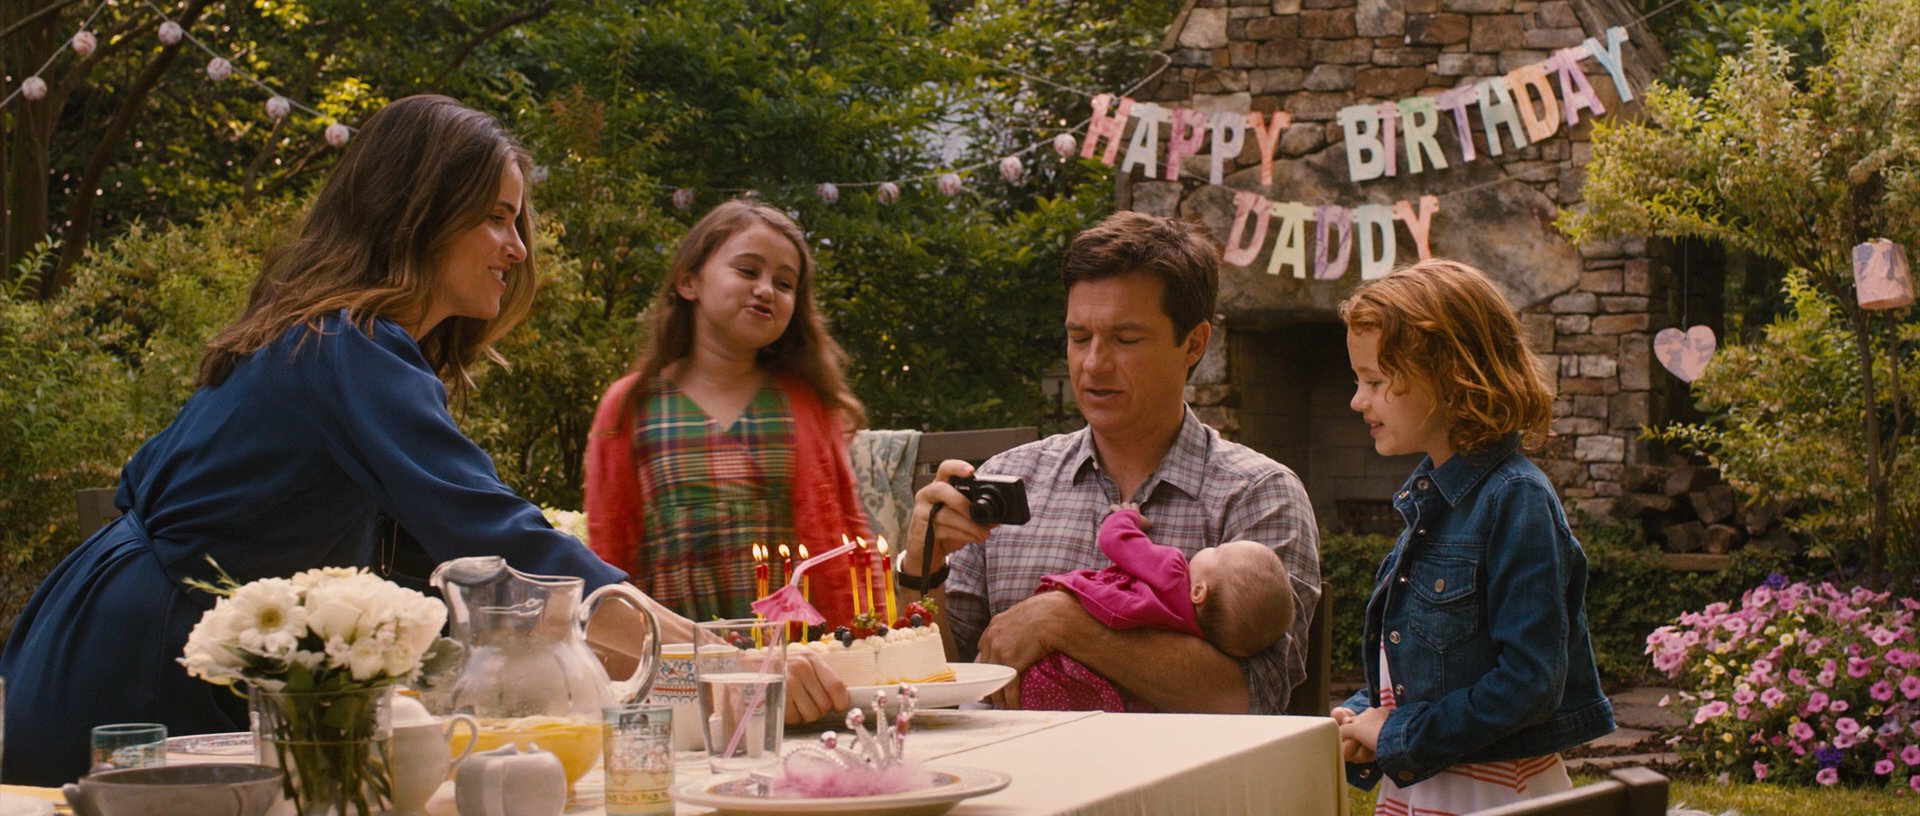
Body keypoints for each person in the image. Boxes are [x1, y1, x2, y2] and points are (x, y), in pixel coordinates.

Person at [0, 95, 704, 785]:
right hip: (138, 666)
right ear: (418, 213)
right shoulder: (346, 345)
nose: (517, 249)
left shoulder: (337, 342)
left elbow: (452, 572)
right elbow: (494, 535)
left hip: (140, 642)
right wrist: (704, 655)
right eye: (496, 218)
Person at [897, 210, 1321, 715]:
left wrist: (1064, 622)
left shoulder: (1257, 493)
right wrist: (922, 569)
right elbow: (942, 684)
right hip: (1014, 765)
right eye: (1079, 337)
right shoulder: (1010, 478)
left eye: (1126, 339)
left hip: (1175, 771)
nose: (1094, 364)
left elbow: (1254, 696)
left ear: (1193, 344)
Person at [1331, 259, 1615, 812]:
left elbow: (1529, 682)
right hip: (1426, 783)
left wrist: (1399, 733)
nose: (1357, 400)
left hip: (1488, 793)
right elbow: (1435, 669)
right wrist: (1365, 713)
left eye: (1375, 382)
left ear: (1449, 378)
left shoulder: (1516, 499)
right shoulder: (1431, 500)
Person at [584, 200, 868, 634]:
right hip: (676, 653)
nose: (766, 289)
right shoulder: (630, 406)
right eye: (748, 271)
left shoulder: (807, 403)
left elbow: (846, 535)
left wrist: (863, 637)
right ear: (688, 282)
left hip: (797, 654)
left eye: (785, 283)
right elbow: (609, 547)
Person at [1021, 503, 1294, 712]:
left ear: (1199, 591)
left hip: (1052, 668)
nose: (1213, 547)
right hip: (1098, 694)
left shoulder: (1173, 572)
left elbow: (1114, 539)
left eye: (1219, 550)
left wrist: (1126, 516)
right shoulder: (1194, 635)